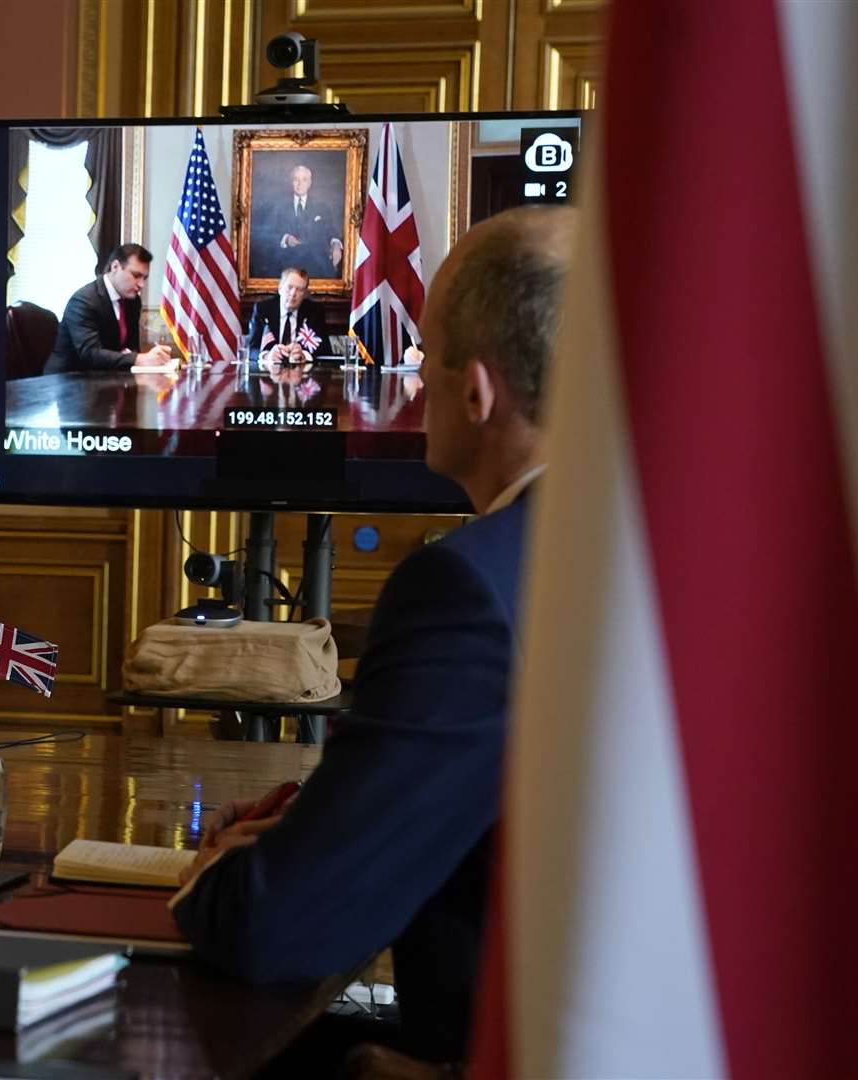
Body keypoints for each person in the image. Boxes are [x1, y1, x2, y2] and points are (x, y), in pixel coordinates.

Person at [171, 206, 577, 1066]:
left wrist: (213, 868)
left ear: (479, 391)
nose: (417, 379)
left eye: (427, 354)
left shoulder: (469, 588)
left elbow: (277, 927)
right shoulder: (658, 550)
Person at [44, 243, 173, 374]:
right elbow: (90, 354)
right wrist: (139, 359)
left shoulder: (133, 301)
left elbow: (131, 347)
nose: (141, 284)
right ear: (115, 266)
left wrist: (149, 360)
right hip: (68, 380)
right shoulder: (84, 301)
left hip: (108, 377)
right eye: (136, 275)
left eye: (144, 278)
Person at [252, 164, 344, 280]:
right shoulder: (277, 207)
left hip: (315, 266)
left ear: (309, 183)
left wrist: (336, 245)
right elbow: (264, 235)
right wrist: (285, 239)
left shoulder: (322, 208)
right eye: (296, 179)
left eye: (304, 180)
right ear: (291, 182)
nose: (300, 184)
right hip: (285, 266)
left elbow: (331, 231)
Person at [245, 267, 335, 365]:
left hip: (302, 374)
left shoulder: (314, 311)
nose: (293, 294)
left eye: (299, 290)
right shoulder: (263, 309)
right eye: (289, 287)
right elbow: (250, 349)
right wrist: (267, 356)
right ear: (280, 288)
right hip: (269, 373)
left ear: (305, 294)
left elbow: (325, 351)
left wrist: (304, 355)